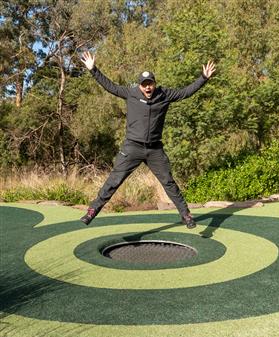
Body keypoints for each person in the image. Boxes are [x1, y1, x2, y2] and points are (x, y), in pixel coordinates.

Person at [80, 51, 216, 228]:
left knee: (168, 182)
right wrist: (93, 70)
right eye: (144, 85)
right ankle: (92, 211)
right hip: (132, 148)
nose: (148, 88)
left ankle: (186, 215)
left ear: (154, 83)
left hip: (154, 150)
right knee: (114, 181)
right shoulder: (130, 93)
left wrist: (203, 78)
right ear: (140, 85)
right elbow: (110, 86)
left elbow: (185, 93)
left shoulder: (164, 95)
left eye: (150, 84)